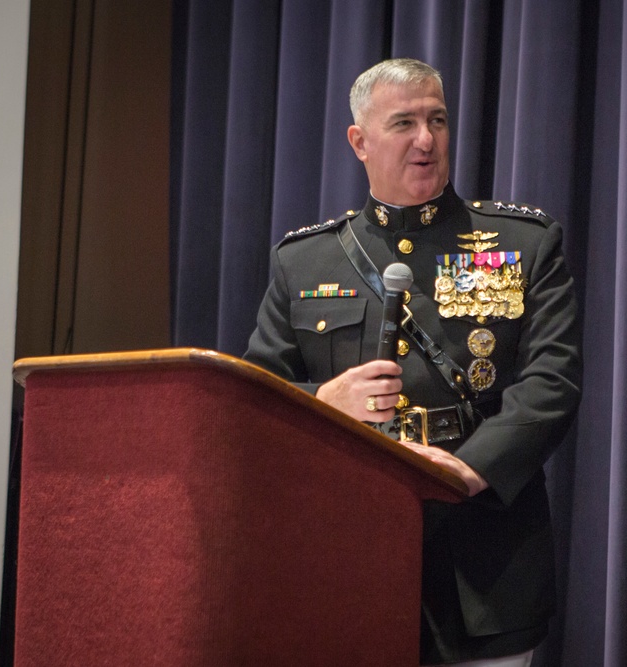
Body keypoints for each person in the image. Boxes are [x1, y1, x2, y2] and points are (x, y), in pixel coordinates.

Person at [244, 58, 582, 666]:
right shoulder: (304, 262)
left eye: (437, 120)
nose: (426, 140)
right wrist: (323, 401)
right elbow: (256, 400)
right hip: (346, 554)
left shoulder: (523, 244)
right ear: (360, 141)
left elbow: (551, 383)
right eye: (404, 123)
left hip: (483, 558)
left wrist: (465, 470)